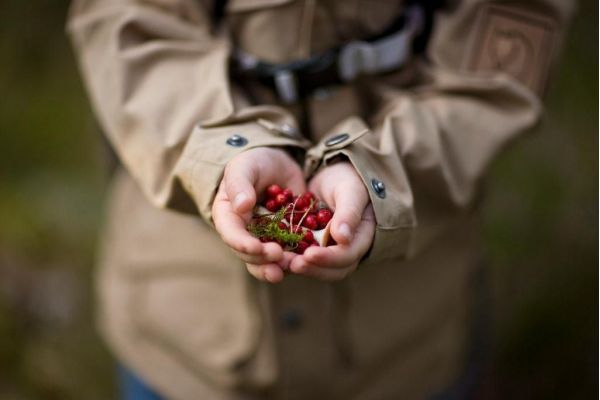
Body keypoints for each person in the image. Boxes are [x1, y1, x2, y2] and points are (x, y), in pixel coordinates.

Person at [68, 0, 573, 399]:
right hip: (188, 347)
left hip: (408, 350)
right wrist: (225, 151)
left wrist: (380, 176)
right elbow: (126, 24)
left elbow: (498, 68)